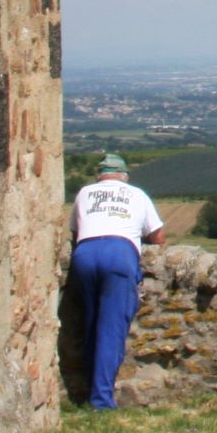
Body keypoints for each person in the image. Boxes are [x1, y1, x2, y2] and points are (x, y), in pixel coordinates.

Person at [67, 152, 164, 410]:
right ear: (125, 176)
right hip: (119, 253)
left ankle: (85, 390)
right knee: (111, 329)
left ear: (99, 176)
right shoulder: (137, 195)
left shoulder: (85, 193)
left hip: (85, 254)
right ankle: (101, 401)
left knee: (90, 322)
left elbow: (75, 231)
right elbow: (158, 236)